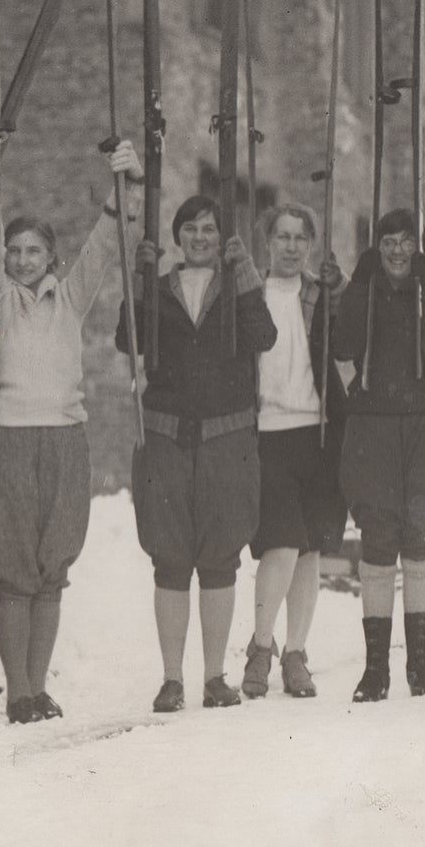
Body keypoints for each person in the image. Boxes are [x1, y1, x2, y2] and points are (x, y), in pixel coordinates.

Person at [0, 132, 139, 721]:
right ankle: (17, 690)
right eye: (14, 251)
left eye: (32, 252)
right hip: (11, 442)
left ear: (50, 257)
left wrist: (127, 183)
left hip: (65, 443)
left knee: (51, 570)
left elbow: (104, 245)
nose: (22, 260)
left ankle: (37, 685)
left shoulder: (68, 299)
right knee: (13, 573)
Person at [124, 191, 273, 714]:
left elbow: (264, 334)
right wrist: (140, 281)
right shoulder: (160, 288)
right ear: (177, 236)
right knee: (169, 556)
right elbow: (129, 338)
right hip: (166, 435)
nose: (200, 238)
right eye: (191, 229)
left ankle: (214, 676)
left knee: (219, 556)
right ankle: (171, 679)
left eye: (210, 229)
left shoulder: (236, 288)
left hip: (227, 436)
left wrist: (246, 269)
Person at [329, 207, 425, 703]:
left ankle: (420, 666)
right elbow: (343, 346)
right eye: (388, 242)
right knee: (378, 537)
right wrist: (359, 284)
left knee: (421, 533)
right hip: (374, 426)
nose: (398, 251)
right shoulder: (361, 295)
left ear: (420, 247)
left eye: (408, 242)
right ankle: (375, 669)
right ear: (375, 247)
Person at [239, 203, 347, 700]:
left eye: (299, 238)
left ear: (311, 244)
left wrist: (339, 291)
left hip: (317, 431)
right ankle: (262, 646)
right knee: (280, 544)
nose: (290, 246)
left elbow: (343, 345)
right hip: (266, 431)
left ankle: (296, 652)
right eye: (281, 237)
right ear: (267, 242)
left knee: (309, 550)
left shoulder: (320, 293)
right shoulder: (250, 293)